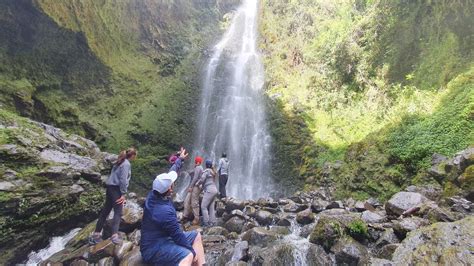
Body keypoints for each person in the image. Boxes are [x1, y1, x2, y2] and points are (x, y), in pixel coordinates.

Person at [141, 151, 206, 266]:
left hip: (165, 238)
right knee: (188, 255)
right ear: (170, 189)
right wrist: (192, 252)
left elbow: (172, 170)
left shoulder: (154, 193)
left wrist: (180, 159)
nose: (173, 182)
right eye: (172, 183)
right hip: (153, 248)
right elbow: (177, 236)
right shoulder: (164, 212)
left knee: (196, 235)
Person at [90, 148, 137, 245]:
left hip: (110, 188)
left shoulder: (119, 161)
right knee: (118, 213)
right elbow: (123, 180)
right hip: (116, 189)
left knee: (105, 211)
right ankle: (114, 236)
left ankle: (96, 234)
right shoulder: (126, 164)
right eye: (135, 156)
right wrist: (123, 193)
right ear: (132, 156)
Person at [183, 156, 204, 225]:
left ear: (197, 162)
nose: (194, 163)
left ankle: (196, 218)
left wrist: (191, 186)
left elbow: (195, 178)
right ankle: (185, 216)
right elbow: (192, 173)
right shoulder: (198, 168)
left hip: (196, 186)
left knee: (194, 202)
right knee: (187, 200)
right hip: (195, 186)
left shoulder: (198, 168)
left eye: (195, 161)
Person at [197, 160, 218, 227]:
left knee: (203, 206)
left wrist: (197, 183)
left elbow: (202, 179)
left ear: (206, 165)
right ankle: (213, 222)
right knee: (211, 207)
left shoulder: (207, 171)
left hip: (209, 190)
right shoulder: (213, 172)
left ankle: (206, 222)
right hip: (214, 190)